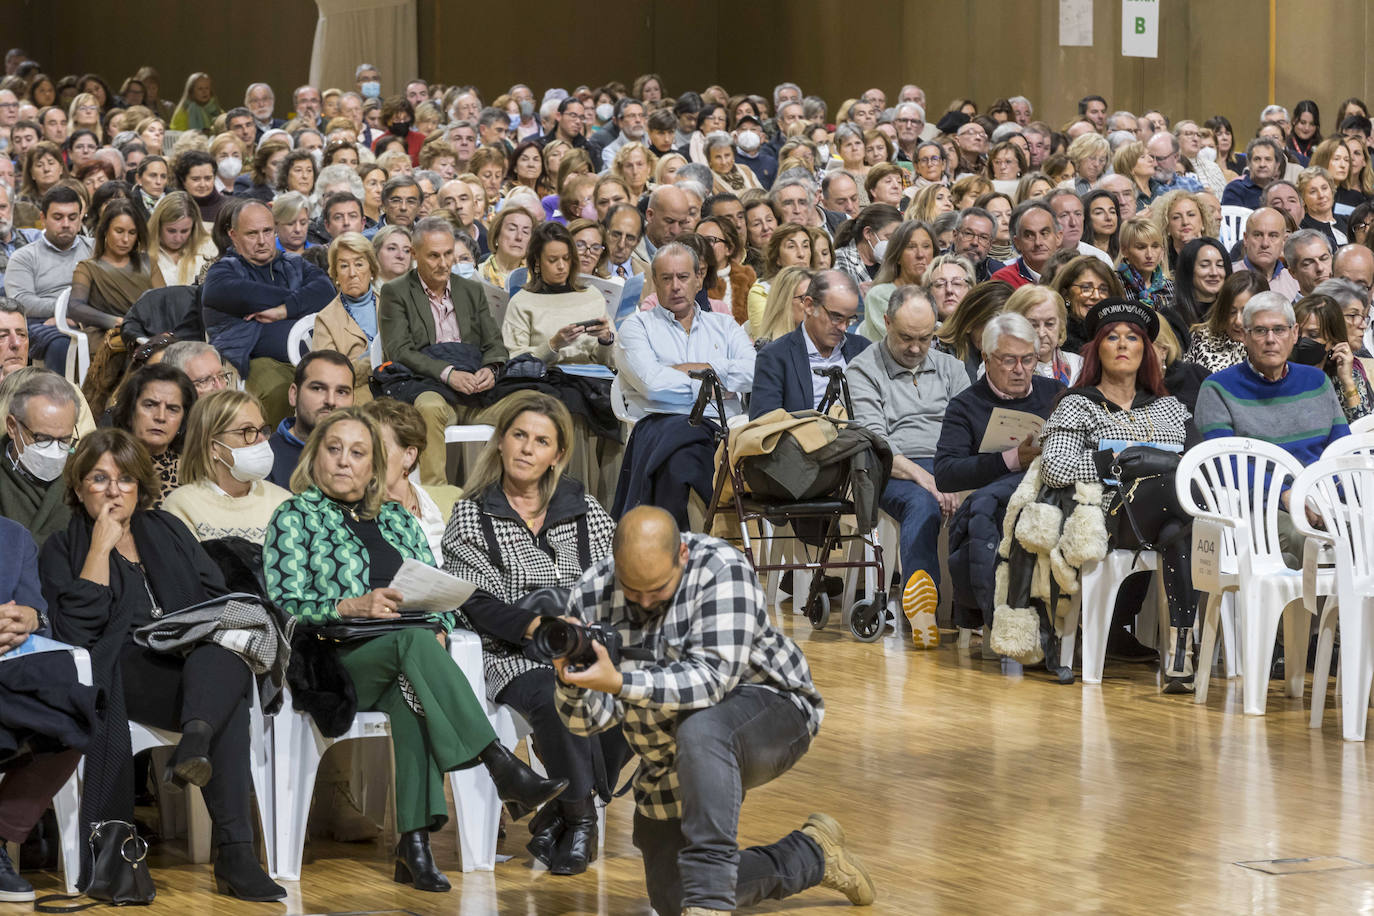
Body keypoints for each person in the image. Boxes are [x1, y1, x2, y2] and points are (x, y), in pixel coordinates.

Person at [263, 407, 567, 893]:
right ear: (314, 456)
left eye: (358, 453)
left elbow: (437, 589)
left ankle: (415, 846)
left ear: (374, 466)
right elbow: (285, 605)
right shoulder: (294, 517)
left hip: (404, 659)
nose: (344, 462)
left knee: (415, 693)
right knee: (412, 642)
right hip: (333, 662)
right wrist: (351, 605)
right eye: (333, 449)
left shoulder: (397, 521)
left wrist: (444, 625)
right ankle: (498, 763)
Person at [554, 504, 873, 916]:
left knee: (702, 727)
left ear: (681, 557)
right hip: (666, 752)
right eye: (633, 591)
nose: (646, 601)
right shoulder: (591, 594)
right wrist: (571, 684)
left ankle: (711, 904)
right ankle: (813, 855)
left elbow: (709, 681)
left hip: (771, 708)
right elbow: (588, 723)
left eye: (658, 588)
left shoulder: (722, 568)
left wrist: (618, 682)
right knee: (672, 897)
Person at [39, 427, 286, 901]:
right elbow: (76, 636)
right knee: (226, 704)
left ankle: (195, 740)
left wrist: (189, 630)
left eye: (126, 479)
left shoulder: (166, 529)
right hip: (122, 669)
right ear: (77, 488)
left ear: (140, 487)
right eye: (99, 479)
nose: (115, 490)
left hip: (192, 663)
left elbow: (216, 596)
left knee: (226, 655)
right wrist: (99, 549)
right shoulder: (63, 547)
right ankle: (235, 854)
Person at [441, 391, 627, 874]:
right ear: (500, 442)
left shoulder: (583, 507)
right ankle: (581, 817)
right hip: (512, 653)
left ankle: (554, 814)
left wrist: (586, 628)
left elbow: (619, 577)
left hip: (587, 645)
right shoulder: (473, 512)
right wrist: (540, 626)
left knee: (644, 680)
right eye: (518, 435)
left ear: (557, 455)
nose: (527, 448)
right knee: (558, 690)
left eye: (541, 441)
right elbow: (475, 601)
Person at [847, 286, 969, 647]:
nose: (915, 348)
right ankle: (923, 609)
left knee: (993, 498)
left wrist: (954, 475)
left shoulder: (952, 367)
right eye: (905, 338)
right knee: (922, 503)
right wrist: (930, 480)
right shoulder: (863, 370)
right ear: (886, 323)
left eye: (925, 338)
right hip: (891, 468)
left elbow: (969, 428)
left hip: (948, 463)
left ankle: (980, 609)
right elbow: (876, 442)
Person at [1194, 291, 1350, 568]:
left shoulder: (1316, 381)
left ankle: (1348, 613)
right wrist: (1283, 493)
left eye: (1279, 330)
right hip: (1255, 508)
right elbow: (1223, 464)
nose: (1270, 339)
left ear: (1295, 333)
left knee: (1360, 535)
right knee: (1308, 541)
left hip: (1321, 499)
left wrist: (1327, 498)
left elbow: (1341, 452)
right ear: (1243, 334)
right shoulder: (1217, 389)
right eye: (1260, 331)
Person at [934, 311, 1061, 640]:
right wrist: (1009, 460)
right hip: (994, 507)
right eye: (1009, 360)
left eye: (1028, 360)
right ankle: (1013, 621)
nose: (1020, 370)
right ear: (988, 359)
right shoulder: (966, 405)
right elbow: (946, 474)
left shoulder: (1056, 392)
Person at [613, 243, 755, 527]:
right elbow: (652, 385)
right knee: (681, 457)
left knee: (683, 454)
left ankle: (668, 541)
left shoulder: (725, 326)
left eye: (683, 277)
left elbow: (753, 372)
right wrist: (714, 382)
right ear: (655, 282)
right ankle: (704, 539)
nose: (675, 286)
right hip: (658, 424)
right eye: (666, 278)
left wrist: (695, 371)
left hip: (722, 426)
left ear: (699, 279)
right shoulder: (637, 327)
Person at [378, 217, 508, 485]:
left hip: (477, 392)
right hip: (430, 386)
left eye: (448, 254)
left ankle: (503, 494)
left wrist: (491, 369)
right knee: (428, 406)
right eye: (434, 256)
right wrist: (448, 374)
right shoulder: (396, 292)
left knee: (530, 404)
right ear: (414, 255)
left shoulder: (471, 289)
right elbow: (399, 351)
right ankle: (434, 500)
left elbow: (494, 343)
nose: (444, 263)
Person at [200, 201, 336, 424]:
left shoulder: (295, 263)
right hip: (252, 359)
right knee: (280, 389)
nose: (262, 241)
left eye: (267, 231)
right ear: (234, 236)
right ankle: (275, 451)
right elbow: (248, 294)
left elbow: (326, 292)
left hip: (311, 356)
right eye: (252, 234)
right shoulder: (222, 273)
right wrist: (301, 298)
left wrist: (284, 311)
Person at [161, 388, 290, 543]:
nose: (261, 439)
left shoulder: (283, 502)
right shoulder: (182, 506)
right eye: (247, 431)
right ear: (213, 446)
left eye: (262, 430)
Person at [749, 270, 870, 418]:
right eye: (836, 317)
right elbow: (763, 425)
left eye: (850, 319)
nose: (843, 327)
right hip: (803, 439)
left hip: (860, 437)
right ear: (809, 306)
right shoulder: (775, 357)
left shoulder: (863, 350)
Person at [6, 186, 92, 371]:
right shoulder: (24, 256)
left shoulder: (94, 250)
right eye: (58, 217)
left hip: (91, 319)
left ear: (80, 218)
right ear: (43, 218)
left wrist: (75, 316)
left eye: (72, 217)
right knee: (60, 344)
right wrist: (64, 313)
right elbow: (22, 302)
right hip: (41, 323)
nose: (66, 224)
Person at [0, 370, 79, 543]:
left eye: (64, 440)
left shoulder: (80, 476)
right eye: (42, 439)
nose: (54, 450)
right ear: (13, 426)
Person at [266, 350, 356, 488]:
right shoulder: (266, 458)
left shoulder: (365, 457)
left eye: (341, 392)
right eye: (318, 388)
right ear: (293, 394)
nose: (331, 401)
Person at [108, 362, 195, 503]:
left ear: (183, 420)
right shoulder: (105, 464)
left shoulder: (194, 473)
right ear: (130, 413)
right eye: (150, 405)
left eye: (172, 409)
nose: (160, 417)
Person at [66, 199, 153, 330]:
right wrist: (115, 321)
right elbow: (75, 308)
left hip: (148, 333)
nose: (125, 239)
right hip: (107, 336)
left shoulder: (148, 262)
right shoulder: (87, 268)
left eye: (132, 233)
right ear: (105, 230)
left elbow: (163, 303)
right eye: (119, 231)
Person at [313, 232, 381, 399]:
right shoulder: (326, 319)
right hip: (353, 393)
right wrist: (374, 361)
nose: (352, 273)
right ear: (335, 275)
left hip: (397, 385)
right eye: (344, 266)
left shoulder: (392, 304)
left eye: (359, 264)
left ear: (371, 268)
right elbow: (328, 376)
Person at [1295, 293, 1373, 423]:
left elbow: (1362, 430)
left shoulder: (1346, 374)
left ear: (1332, 341)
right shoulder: (1280, 371)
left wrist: (1347, 381)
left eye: (1313, 335)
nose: (1302, 340)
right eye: (1297, 333)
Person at [859, 221, 939, 342]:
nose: (920, 254)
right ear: (897, 256)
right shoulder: (880, 295)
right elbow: (902, 343)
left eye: (926, 246)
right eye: (911, 247)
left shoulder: (941, 291)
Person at [1185, 270, 1269, 372]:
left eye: (1246, 312)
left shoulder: (1272, 344)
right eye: (1232, 311)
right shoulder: (1203, 338)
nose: (1238, 321)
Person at [1004, 284, 1083, 384]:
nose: (1041, 333)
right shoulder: (1000, 368)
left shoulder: (1079, 366)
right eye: (1033, 325)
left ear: (1061, 325)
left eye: (1049, 324)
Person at [936, 279, 1013, 382]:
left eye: (1009, 329)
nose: (1001, 337)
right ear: (969, 324)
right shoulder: (940, 356)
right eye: (993, 329)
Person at [145, 191, 214, 287]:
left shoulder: (210, 247)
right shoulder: (143, 251)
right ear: (158, 225)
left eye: (184, 231)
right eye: (171, 231)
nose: (178, 238)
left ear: (194, 227)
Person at [1232, 207, 1300, 301]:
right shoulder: (1228, 278)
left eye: (1273, 236)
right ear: (1246, 239)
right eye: (1258, 235)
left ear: (1284, 241)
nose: (1265, 244)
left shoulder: (1295, 281)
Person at [990, 201, 1062, 288]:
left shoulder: (1072, 273)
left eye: (1044, 233)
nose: (1038, 242)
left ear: (1058, 237)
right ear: (1017, 243)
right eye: (1029, 235)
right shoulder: (1003, 281)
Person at [1115, 217, 1174, 310]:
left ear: (1162, 250)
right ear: (1124, 250)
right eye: (1141, 247)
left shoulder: (1170, 287)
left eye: (1155, 246)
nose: (1149, 255)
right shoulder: (1114, 284)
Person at [1171, 237, 1232, 326]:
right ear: (1188, 270)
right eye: (1205, 265)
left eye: (1220, 265)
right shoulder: (1172, 317)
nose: (1214, 273)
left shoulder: (1234, 313)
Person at [1221, 137, 1285, 208]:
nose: (1262, 164)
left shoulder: (1281, 190)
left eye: (1268, 159)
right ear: (1248, 163)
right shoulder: (1235, 189)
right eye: (1257, 159)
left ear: (1277, 165)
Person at [1285, 229, 1334, 298]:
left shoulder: (1352, 301)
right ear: (1293, 272)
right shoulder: (1289, 309)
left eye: (1324, 259)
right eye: (1308, 264)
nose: (1320, 268)